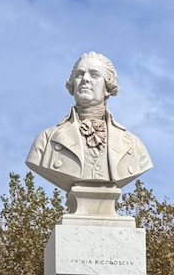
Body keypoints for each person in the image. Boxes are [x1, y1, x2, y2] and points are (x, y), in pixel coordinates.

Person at [25, 52, 153, 194]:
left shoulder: (133, 144)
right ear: (72, 84)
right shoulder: (45, 140)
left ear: (108, 88)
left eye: (94, 75)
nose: (85, 79)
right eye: (80, 74)